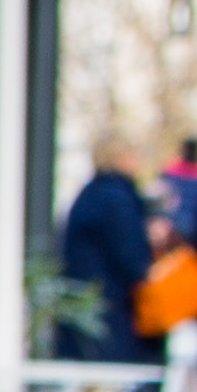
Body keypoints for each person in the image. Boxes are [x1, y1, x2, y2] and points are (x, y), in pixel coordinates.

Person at [58, 137, 158, 368]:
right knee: (111, 374)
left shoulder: (90, 193)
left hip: (86, 303)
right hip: (110, 308)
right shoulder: (117, 199)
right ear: (120, 158)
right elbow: (133, 260)